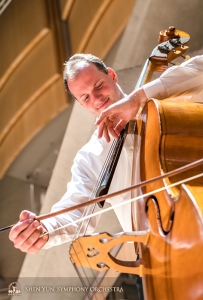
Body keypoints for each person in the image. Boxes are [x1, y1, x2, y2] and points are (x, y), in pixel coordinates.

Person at [9, 54, 203, 254]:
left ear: (112, 75)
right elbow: (75, 213)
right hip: (152, 260)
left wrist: (138, 99)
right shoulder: (90, 157)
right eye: (85, 97)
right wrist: (44, 230)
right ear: (81, 104)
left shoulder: (166, 102)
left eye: (98, 86)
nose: (96, 98)